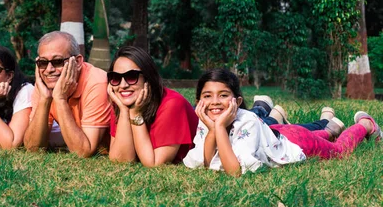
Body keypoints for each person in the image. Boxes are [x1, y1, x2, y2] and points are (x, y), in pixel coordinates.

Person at [184, 69, 381, 176]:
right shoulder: (207, 119)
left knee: (338, 151)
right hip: (275, 133)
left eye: (224, 95)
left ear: (238, 101)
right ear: (199, 101)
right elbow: (207, 161)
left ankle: (365, 124)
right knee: (319, 136)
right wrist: (213, 128)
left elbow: (234, 171)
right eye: (207, 96)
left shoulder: (248, 121)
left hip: (297, 141)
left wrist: (217, 128)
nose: (215, 102)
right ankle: (330, 128)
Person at [23, 31, 111, 157]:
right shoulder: (44, 85)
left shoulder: (97, 83)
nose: (49, 70)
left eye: (57, 61)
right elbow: (33, 147)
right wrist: (45, 99)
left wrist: (59, 98)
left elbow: (83, 152)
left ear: (78, 62)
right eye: (43, 63)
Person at [107, 46, 198, 167]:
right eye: (116, 78)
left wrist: (135, 114)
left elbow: (154, 164)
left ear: (147, 77)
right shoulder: (120, 104)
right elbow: (120, 160)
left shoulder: (172, 104)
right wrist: (123, 111)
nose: (123, 85)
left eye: (131, 76)